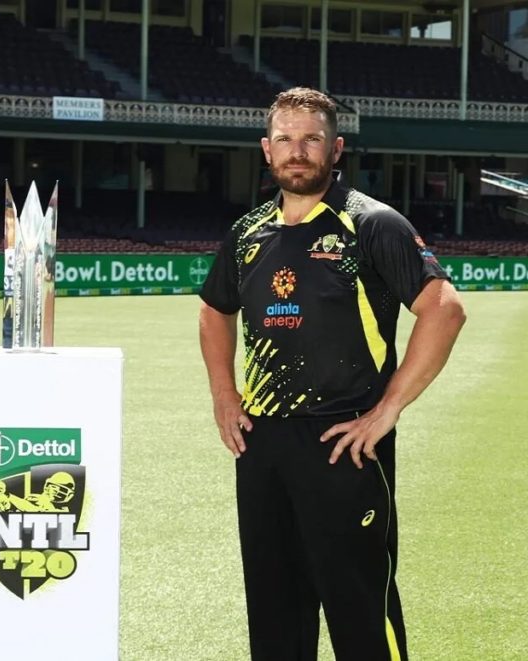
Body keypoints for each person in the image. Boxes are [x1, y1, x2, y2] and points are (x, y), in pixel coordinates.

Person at [198, 87, 465, 661]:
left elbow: (444, 310)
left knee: (359, 608)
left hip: (344, 442)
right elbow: (215, 310)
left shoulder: (371, 223)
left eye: (312, 139)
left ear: (336, 148)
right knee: (275, 610)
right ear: (267, 150)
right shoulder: (247, 232)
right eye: (286, 139)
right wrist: (224, 393)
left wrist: (386, 411)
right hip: (261, 443)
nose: (298, 151)